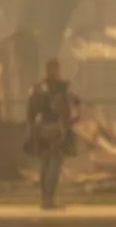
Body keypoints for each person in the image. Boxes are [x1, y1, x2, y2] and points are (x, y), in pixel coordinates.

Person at [24, 59, 81, 210]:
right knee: (54, 164)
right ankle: (48, 199)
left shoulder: (38, 88)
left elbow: (30, 111)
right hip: (56, 129)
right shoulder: (62, 88)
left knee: (45, 164)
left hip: (41, 128)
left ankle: (45, 198)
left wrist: (31, 128)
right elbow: (73, 105)